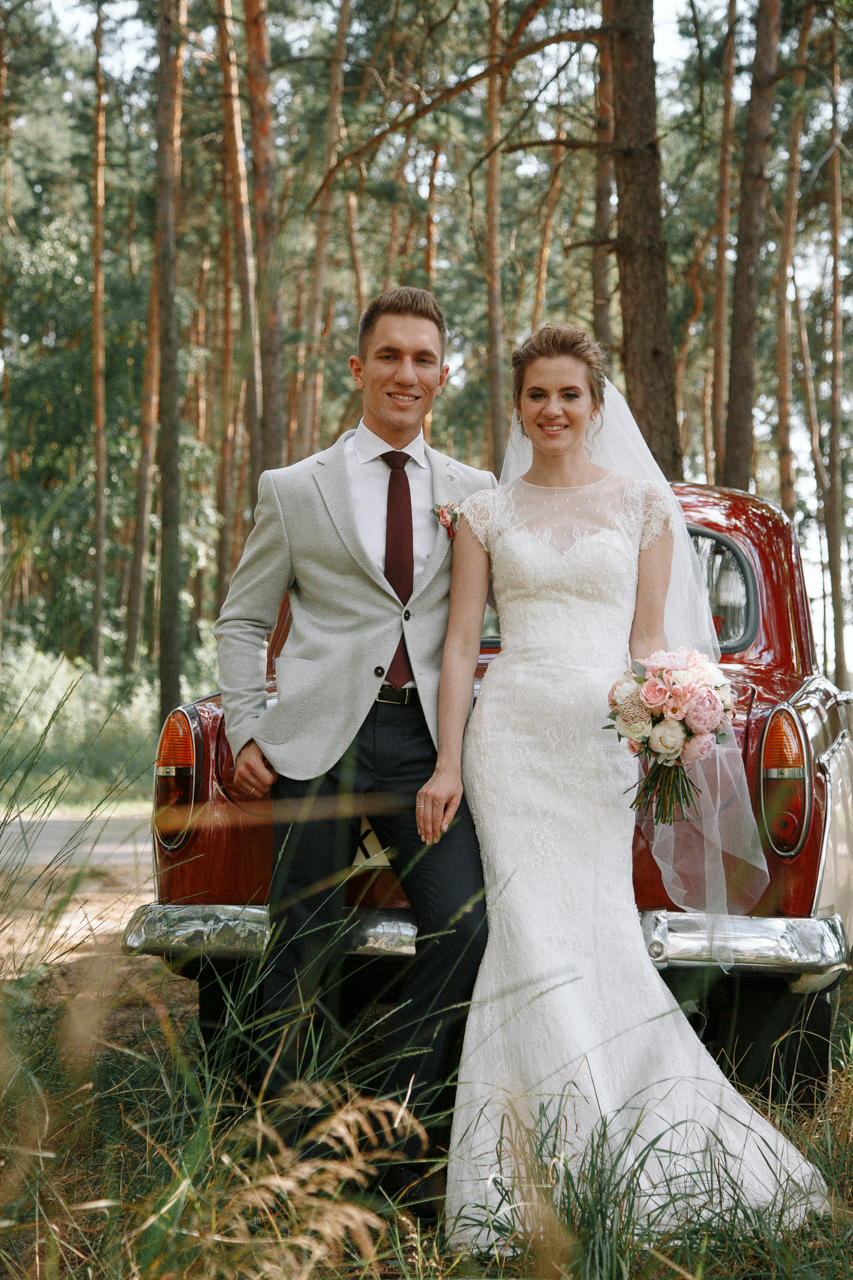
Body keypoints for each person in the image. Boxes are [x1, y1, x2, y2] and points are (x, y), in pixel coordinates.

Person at [416, 323, 827, 1244]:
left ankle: (608, 1156)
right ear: (517, 406)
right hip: (509, 744)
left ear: (595, 405)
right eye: (536, 395)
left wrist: (671, 706)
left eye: (568, 394)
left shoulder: (642, 504)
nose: (552, 409)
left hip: (598, 747)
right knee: (524, 934)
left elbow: (646, 639)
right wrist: (446, 762)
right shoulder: (485, 513)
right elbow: (460, 645)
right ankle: (519, 1184)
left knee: (595, 933)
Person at [214, 287, 495, 1210]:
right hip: (316, 744)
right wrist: (245, 723)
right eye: (389, 356)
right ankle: (295, 1170)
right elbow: (243, 618)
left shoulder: (476, 493)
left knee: (464, 929)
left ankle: (385, 1134)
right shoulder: (294, 489)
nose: (405, 373)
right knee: (301, 949)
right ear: (358, 367)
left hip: (427, 747)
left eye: (423, 359)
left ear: (443, 375)